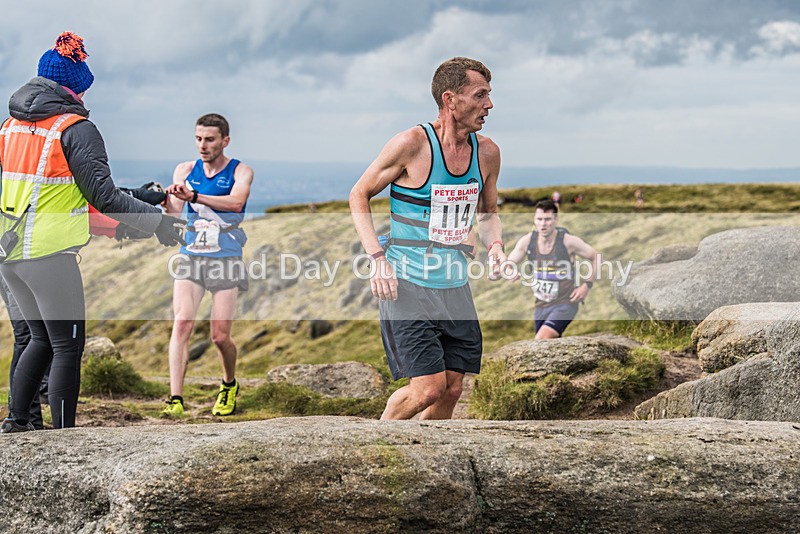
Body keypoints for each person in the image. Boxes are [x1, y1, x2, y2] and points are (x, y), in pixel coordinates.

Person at [0, 32, 185, 433]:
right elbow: (101, 196)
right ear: (75, 87)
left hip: (10, 256)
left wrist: (139, 199)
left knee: (37, 340)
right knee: (66, 345)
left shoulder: (9, 127)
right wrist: (159, 224)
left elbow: (57, 191)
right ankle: (66, 436)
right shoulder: (75, 128)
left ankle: (16, 422)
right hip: (50, 256)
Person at [350, 57, 505, 420]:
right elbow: (359, 195)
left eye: (489, 95)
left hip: (454, 285)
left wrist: (496, 248)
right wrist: (377, 261)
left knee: (452, 388)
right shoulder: (411, 144)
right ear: (450, 100)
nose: (489, 105)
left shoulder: (487, 153)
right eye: (480, 95)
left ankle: (427, 465)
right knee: (427, 388)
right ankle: (376, 450)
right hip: (406, 283)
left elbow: (488, 212)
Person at [162, 114, 253, 417]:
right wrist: (167, 200)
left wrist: (196, 195)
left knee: (219, 336)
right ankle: (175, 399)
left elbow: (236, 202)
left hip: (225, 258)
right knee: (183, 322)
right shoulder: (185, 170)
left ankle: (228, 384)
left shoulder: (240, 170)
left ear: (225, 140)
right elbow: (175, 214)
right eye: (199, 138)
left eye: (210, 139)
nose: (203, 145)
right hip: (191, 255)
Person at [507, 199, 598, 339]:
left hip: (565, 303)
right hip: (540, 305)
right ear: (534, 220)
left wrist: (586, 285)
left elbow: (596, 257)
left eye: (548, 219)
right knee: (547, 346)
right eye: (539, 219)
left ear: (556, 220)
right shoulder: (527, 242)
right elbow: (508, 263)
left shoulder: (568, 241)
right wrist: (510, 271)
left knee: (541, 340)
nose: (543, 224)